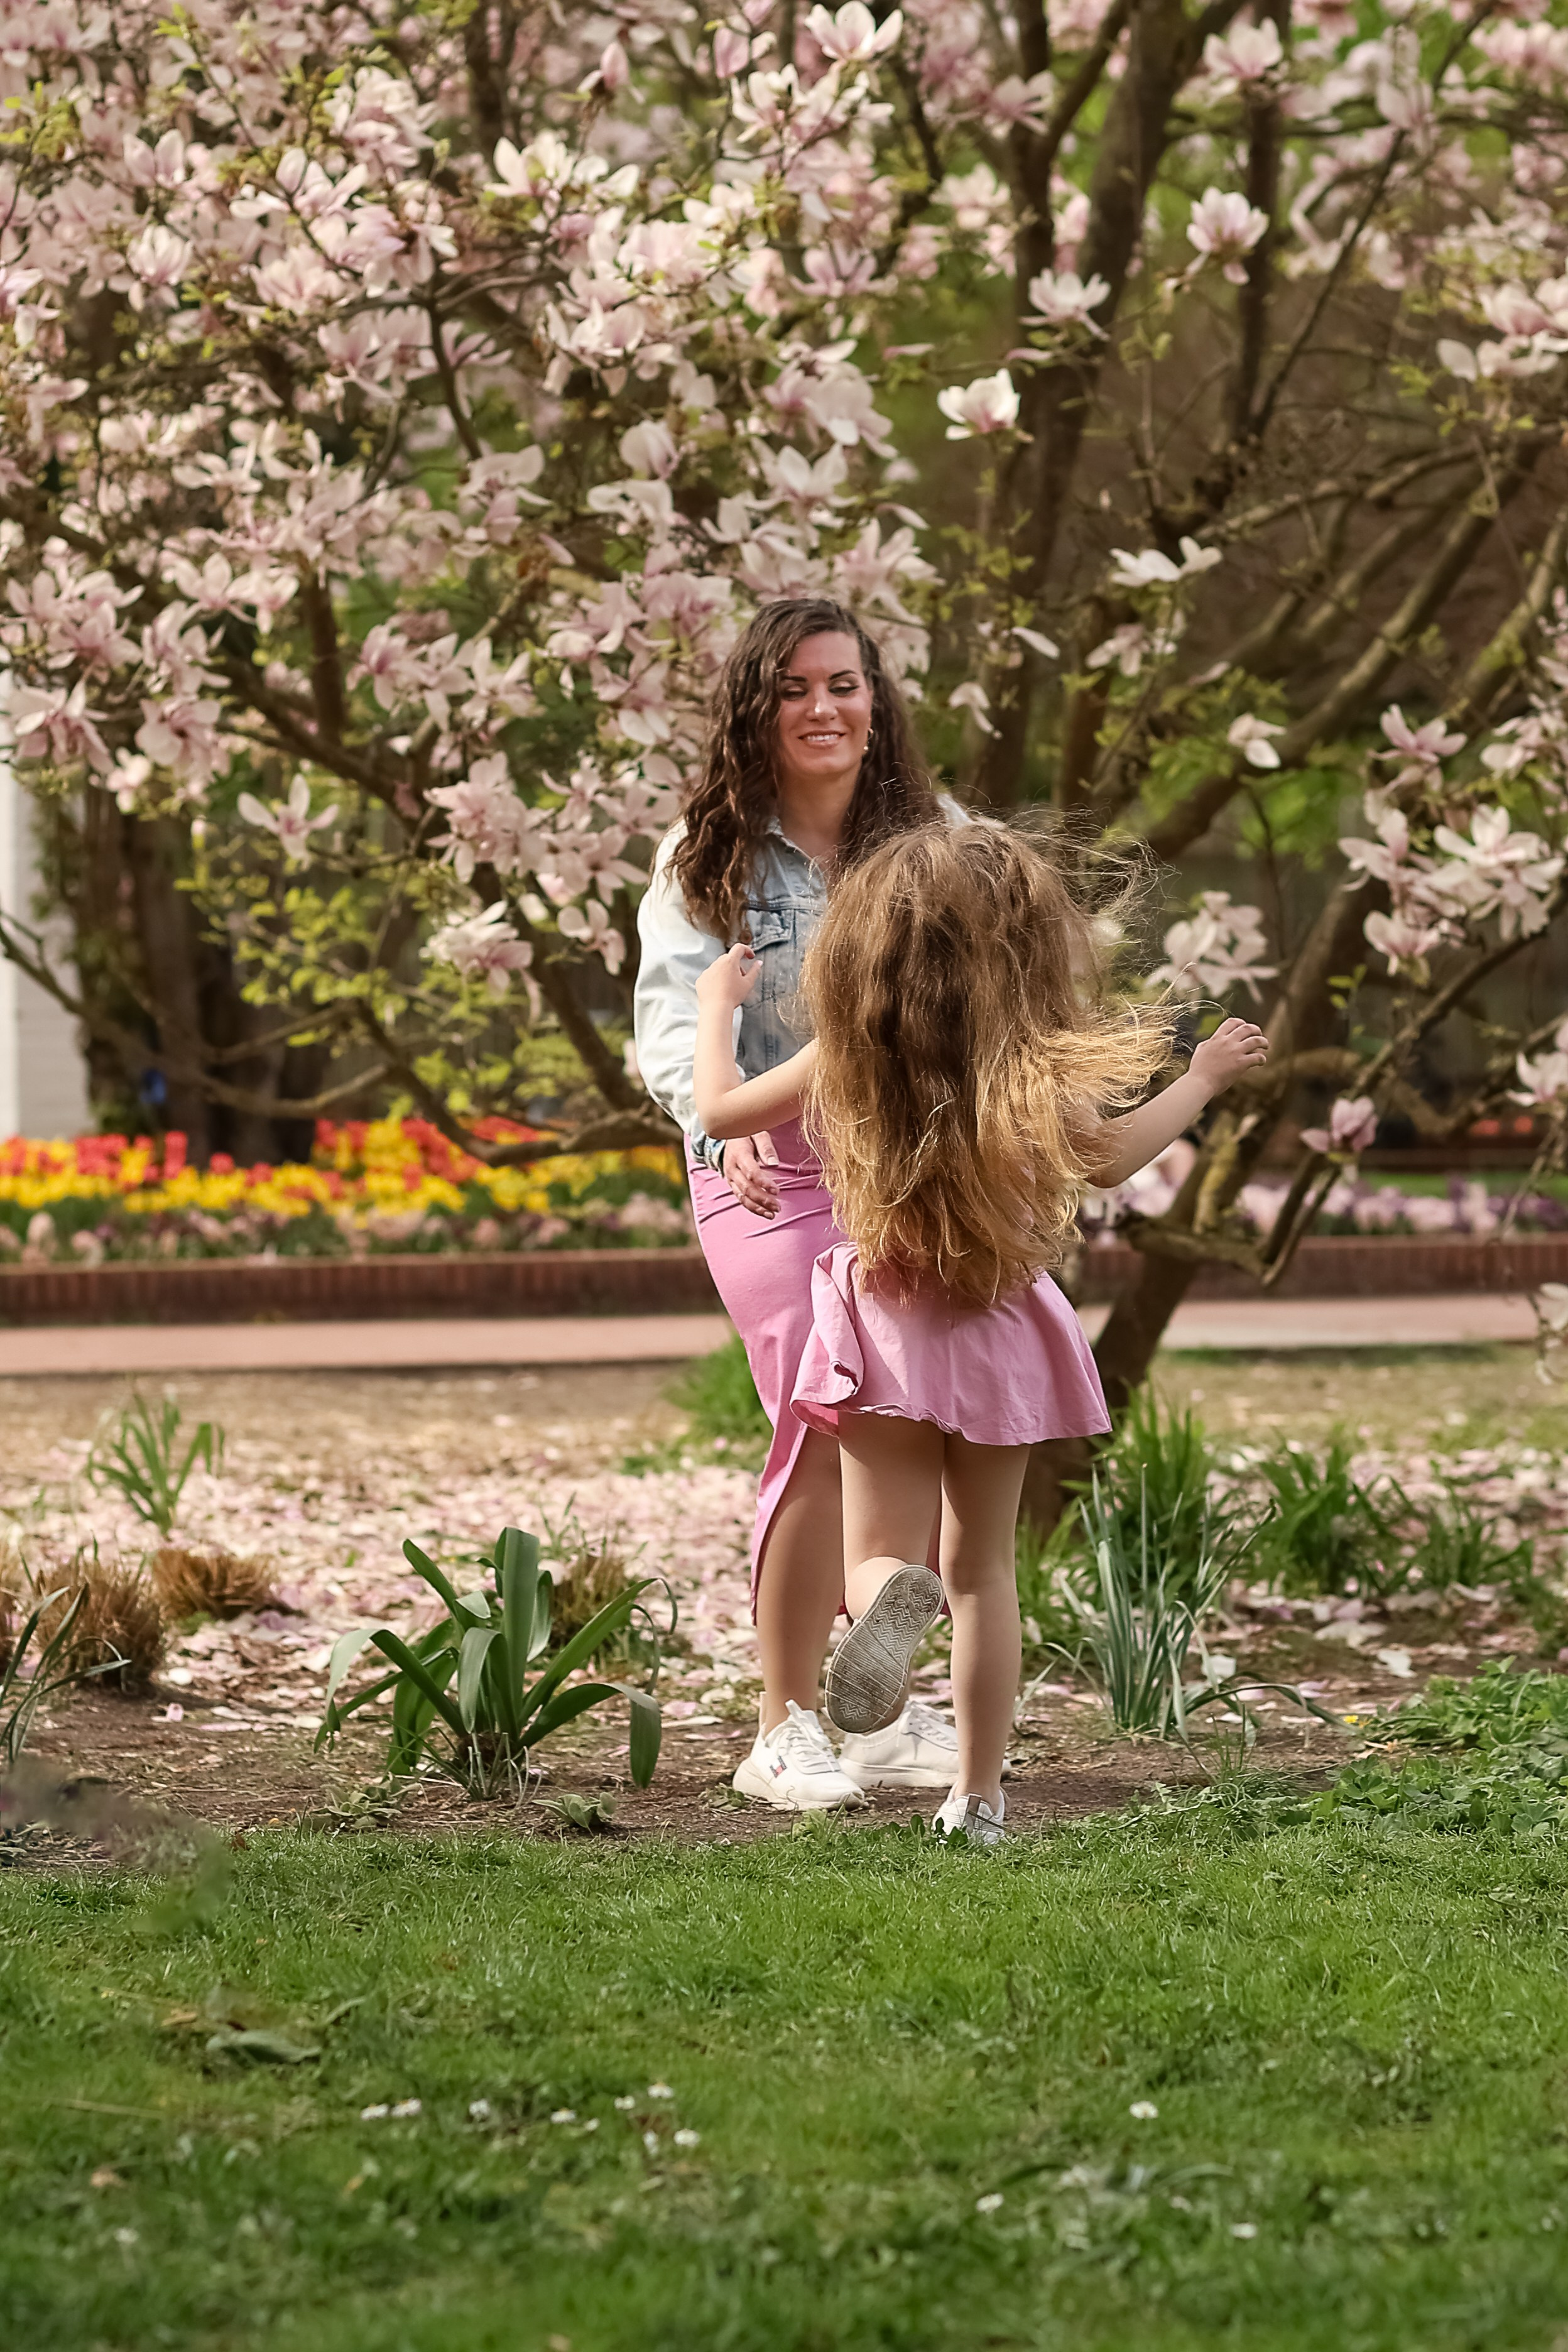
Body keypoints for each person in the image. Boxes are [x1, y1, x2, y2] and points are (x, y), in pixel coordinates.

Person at [693, 824, 1269, 1845]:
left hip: (886, 1332)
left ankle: (883, 1600)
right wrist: (1206, 1077)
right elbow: (1112, 1160)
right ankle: (979, 1799)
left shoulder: (852, 1055)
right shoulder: (1035, 1067)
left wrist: (716, 1011)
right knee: (983, 1574)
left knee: (880, 1554)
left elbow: (723, 1113)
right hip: (1002, 1331)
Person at [634, 597, 966, 1812]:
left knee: (904, 1418)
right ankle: (783, 1727)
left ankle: (873, 1720)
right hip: (763, 1169)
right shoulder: (705, 862)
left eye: (844, 685)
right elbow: (677, 1030)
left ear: (877, 704)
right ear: (755, 714)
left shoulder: (936, 840)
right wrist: (714, 1138)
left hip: (900, 1169)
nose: (822, 709)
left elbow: (1002, 982)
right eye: (793, 690)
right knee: (817, 1413)